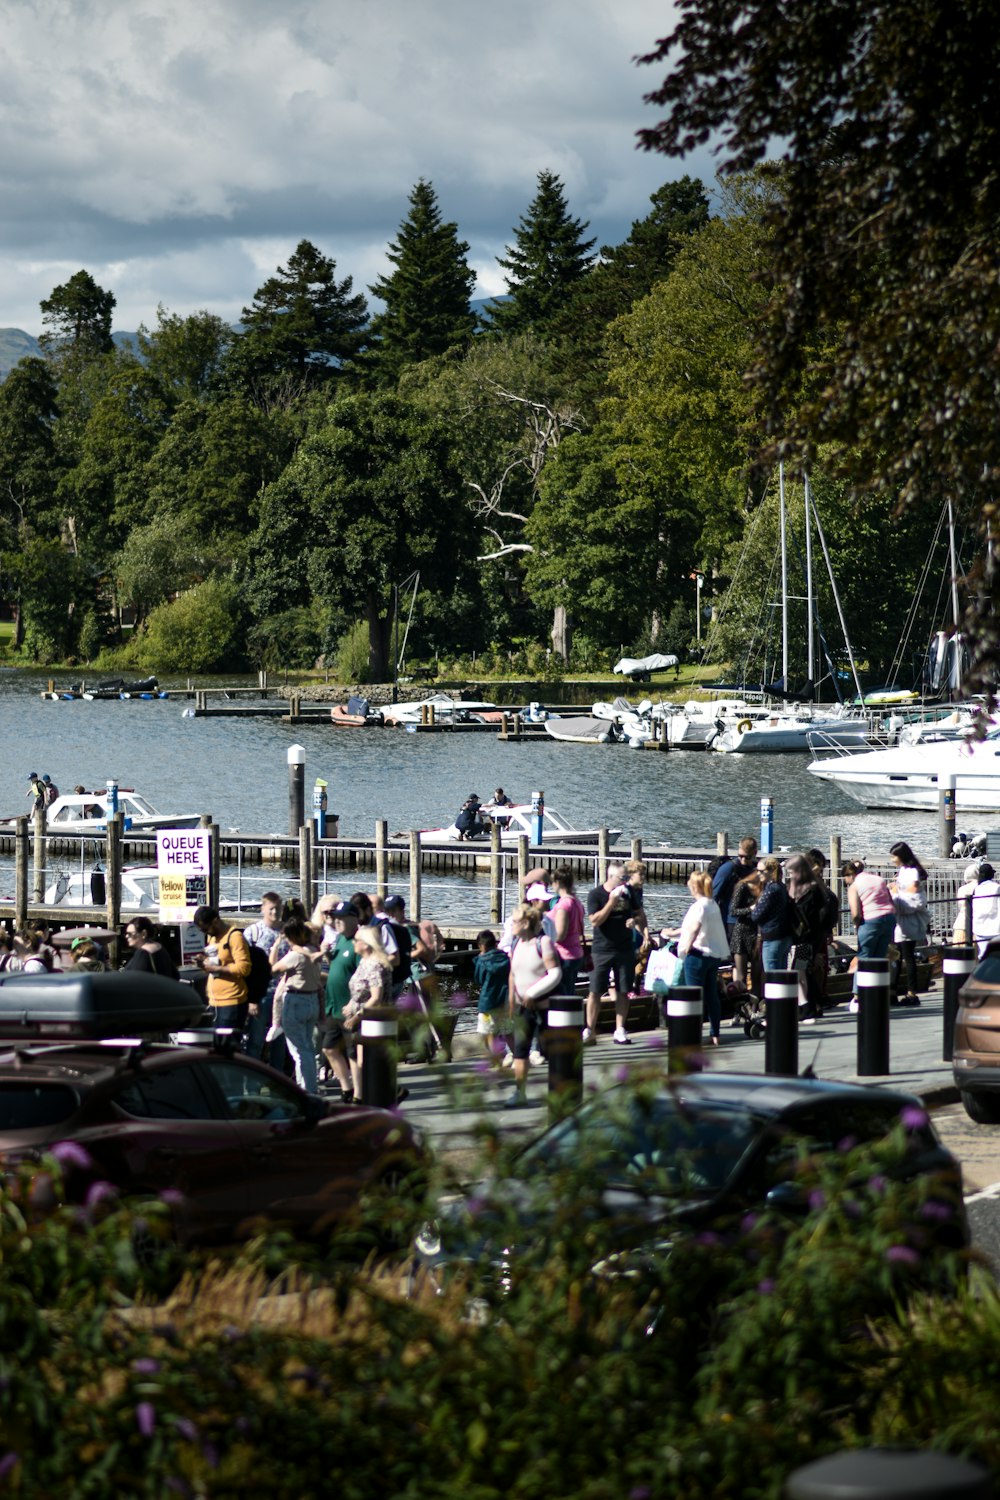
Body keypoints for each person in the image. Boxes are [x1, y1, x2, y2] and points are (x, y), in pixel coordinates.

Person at [506, 903, 562, 1106]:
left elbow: (555, 973)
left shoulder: (543, 942)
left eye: (515, 921)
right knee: (520, 1052)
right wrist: (512, 999)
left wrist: (532, 992)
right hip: (523, 1009)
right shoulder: (515, 943)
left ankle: (559, 1092)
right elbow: (512, 973)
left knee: (553, 1053)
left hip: (544, 1008)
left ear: (526, 923)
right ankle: (519, 1092)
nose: (511, 925)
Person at [671, 869, 729, 1045]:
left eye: (690, 882)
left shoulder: (698, 906)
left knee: (693, 995)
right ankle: (715, 1033)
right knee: (712, 996)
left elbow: (695, 927)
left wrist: (687, 947)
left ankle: (692, 1033)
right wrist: (674, 932)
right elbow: (696, 926)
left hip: (697, 955)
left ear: (695, 886)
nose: (688, 884)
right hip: (713, 954)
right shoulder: (712, 904)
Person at [585, 860, 638, 1045]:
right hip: (602, 949)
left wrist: (633, 921)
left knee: (624, 991)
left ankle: (620, 1029)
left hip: (624, 948)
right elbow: (595, 921)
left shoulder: (629, 892)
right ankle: (589, 1030)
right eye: (622, 878)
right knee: (595, 991)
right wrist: (612, 901)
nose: (625, 882)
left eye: (626, 878)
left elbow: (638, 913)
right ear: (611, 877)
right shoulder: (596, 895)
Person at [342, 925, 396, 1103]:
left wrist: (358, 1014)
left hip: (372, 1020)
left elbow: (376, 997)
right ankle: (363, 1094)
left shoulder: (374, 965)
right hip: (363, 1018)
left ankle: (375, 1097)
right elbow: (359, 990)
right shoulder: (364, 962)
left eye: (357, 940)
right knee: (359, 1059)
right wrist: (351, 1004)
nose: (353, 943)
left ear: (366, 944)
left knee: (367, 1061)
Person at [269, 917, 323, 1093]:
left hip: (296, 1002)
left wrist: (275, 948)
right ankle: (304, 1088)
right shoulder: (313, 950)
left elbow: (274, 968)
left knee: (300, 1052)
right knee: (307, 1046)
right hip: (312, 1001)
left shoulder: (296, 956)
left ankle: (308, 1090)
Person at [841, 860, 895, 1011]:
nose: (845, 882)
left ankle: (858, 997)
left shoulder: (854, 886)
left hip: (871, 921)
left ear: (850, 875)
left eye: (845, 879)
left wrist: (857, 925)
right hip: (889, 918)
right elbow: (890, 901)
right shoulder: (878, 879)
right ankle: (877, 995)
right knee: (879, 959)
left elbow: (856, 913)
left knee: (863, 959)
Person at [320, 901, 360, 1102]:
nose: (337, 921)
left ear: (354, 918)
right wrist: (327, 954)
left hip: (349, 1008)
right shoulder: (340, 940)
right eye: (335, 917)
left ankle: (358, 1094)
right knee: (328, 1048)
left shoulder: (358, 942)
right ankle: (347, 1088)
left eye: (341, 917)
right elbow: (336, 967)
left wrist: (355, 1004)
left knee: (353, 1054)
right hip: (333, 1007)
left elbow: (364, 976)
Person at [241, 891, 286, 1065]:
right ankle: (253, 1083)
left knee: (279, 1041)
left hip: (282, 993)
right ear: (263, 909)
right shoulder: (253, 932)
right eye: (271, 909)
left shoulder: (286, 932)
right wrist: (251, 998)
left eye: (278, 909)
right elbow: (246, 967)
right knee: (255, 1041)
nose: (275, 913)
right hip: (261, 994)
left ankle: (278, 1080)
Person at [192, 905, 252, 1031]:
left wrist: (217, 968)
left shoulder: (235, 937)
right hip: (214, 1002)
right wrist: (203, 964)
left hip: (231, 1002)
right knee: (216, 1047)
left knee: (228, 1046)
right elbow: (214, 965)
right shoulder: (212, 937)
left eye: (205, 929)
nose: (205, 933)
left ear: (215, 921)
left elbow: (244, 968)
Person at [783, 852, 827, 1020]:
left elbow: (804, 913)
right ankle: (809, 1005)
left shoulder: (808, 891)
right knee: (801, 972)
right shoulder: (816, 887)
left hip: (802, 938)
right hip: (808, 937)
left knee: (797, 972)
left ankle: (805, 1007)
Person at [889, 840, 929, 1006]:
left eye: (894, 856)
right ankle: (897, 991)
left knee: (905, 956)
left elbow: (912, 890)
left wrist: (896, 890)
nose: (892, 859)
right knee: (899, 956)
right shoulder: (904, 870)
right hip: (902, 919)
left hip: (907, 920)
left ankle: (910, 992)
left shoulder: (911, 871)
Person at [750, 857, 797, 972]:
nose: (758, 874)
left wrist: (754, 908)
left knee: (772, 977)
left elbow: (756, 916)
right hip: (784, 936)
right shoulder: (781, 886)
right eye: (757, 870)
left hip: (772, 938)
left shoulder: (771, 889)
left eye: (761, 871)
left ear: (770, 871)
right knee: (782, 975)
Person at [473, 929, 512, 1066]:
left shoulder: (482, 960)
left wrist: (478, 959)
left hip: (488, 1002)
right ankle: (513, 1054)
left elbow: (479, 979)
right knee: (506, 1029)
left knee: (487, 1032)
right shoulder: (505, 957)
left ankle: (495, 1057)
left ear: (481, 946)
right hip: (505, 999)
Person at [550, 866, 586, 997]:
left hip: (564, 955)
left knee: (562, 995)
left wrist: (544, 938)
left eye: (553, 882)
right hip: (576, 953)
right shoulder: (577, 902)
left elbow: (560, 935)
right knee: (570, 992)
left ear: (558, 883)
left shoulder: (563, 905)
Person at [712, 836, 759, 933]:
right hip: (730, 921)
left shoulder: (757, 869)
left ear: (755, 853)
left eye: (747, 857)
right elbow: (713, 895)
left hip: (751, 920)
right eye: (740, 856)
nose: (743, 860)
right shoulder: (728, 868)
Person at [728, 869, 762, 996]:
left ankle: (754, 1006)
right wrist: (750, 909)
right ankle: (740, 1008)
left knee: (756, 976)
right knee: (741, 977)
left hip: (756, 933)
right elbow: (733, 911)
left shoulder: (765, 889)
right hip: (741, 932)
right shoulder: (743, 887)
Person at [123, 915, 179, 981]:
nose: (126, 936)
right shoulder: (159, 948)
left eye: (130, 934)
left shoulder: (143, 953)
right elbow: (176, 975)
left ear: (144, 934)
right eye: (126, 934)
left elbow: (135, 981)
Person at [971, 862, 1000, 957]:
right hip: (995, 928)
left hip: (980, 928)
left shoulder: (977, 889)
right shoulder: (997, 887)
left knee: (982, 955)